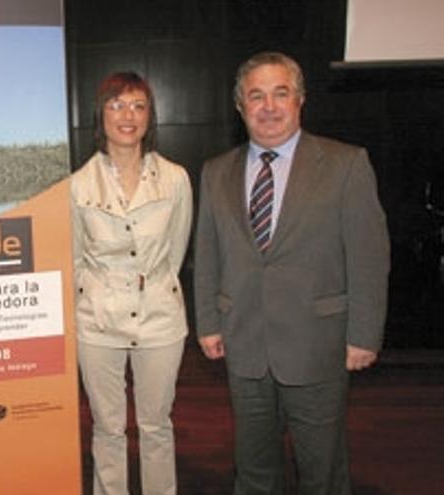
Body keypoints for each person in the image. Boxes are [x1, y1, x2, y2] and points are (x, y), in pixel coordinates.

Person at [193, 51, 390, 494]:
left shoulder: (346, 164)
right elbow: (206, 254)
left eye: (280, 93)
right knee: (254, 471)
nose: (268, 106)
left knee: (322, 473)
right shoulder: (215, 172)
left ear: (300, 100)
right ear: (241, 107)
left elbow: (369, 256)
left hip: (318, 346)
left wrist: (364, 334)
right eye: (256, 96)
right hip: (244, 347)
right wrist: (207, 322)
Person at [71, 71, 192, 495]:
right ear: (99, 115)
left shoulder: (175, 179)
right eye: (117, 105)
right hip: (97, 321)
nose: (128, 115)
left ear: (150, 117)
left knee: (156, 424)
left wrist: (150, 287)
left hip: (160, 317)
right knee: (107, 427)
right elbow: (74, 261)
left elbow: (175, 253)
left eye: (138, 105)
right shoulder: (77, 185)